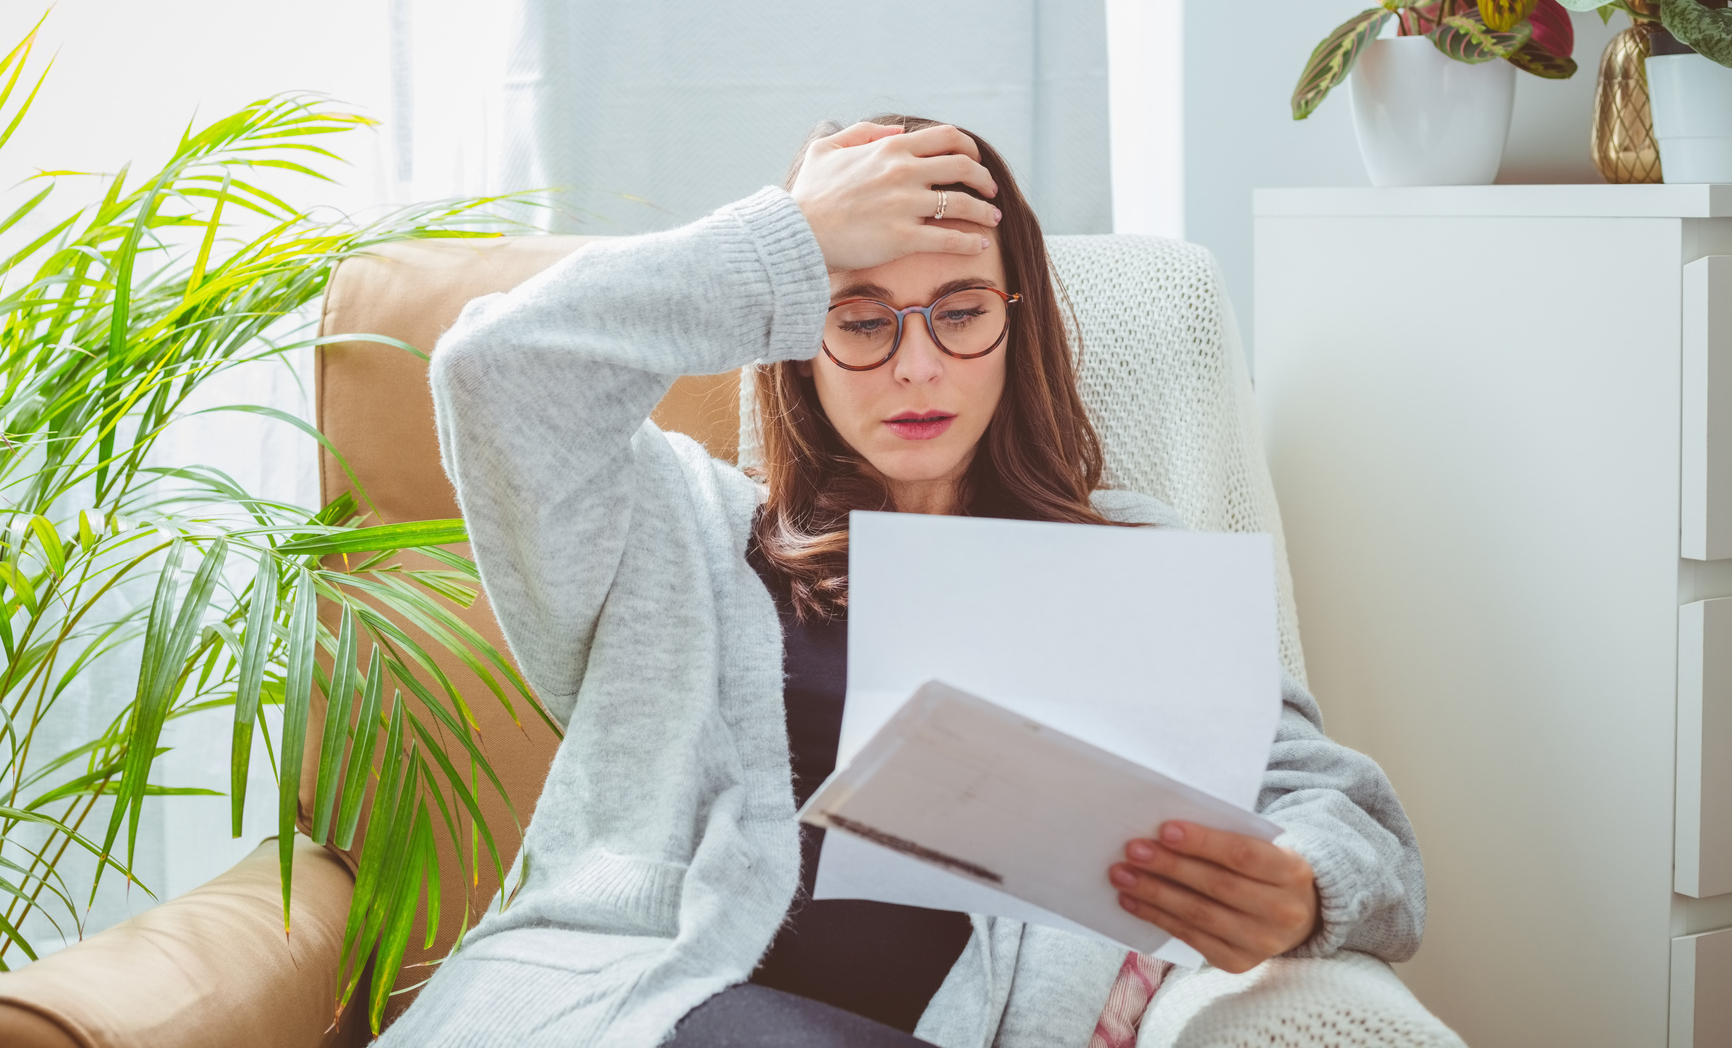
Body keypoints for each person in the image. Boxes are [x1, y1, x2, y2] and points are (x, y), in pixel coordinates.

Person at [380, 117, 1424, 1048]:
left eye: (960, 312)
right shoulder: (673, 528)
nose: (916, 366)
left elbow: (1337, 808)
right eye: (861, 317)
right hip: (628, 1006)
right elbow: (496, 371)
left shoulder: (1126, 563)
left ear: (1018, 327)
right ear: (797, 340)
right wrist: (792, 235)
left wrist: (1303, 887)